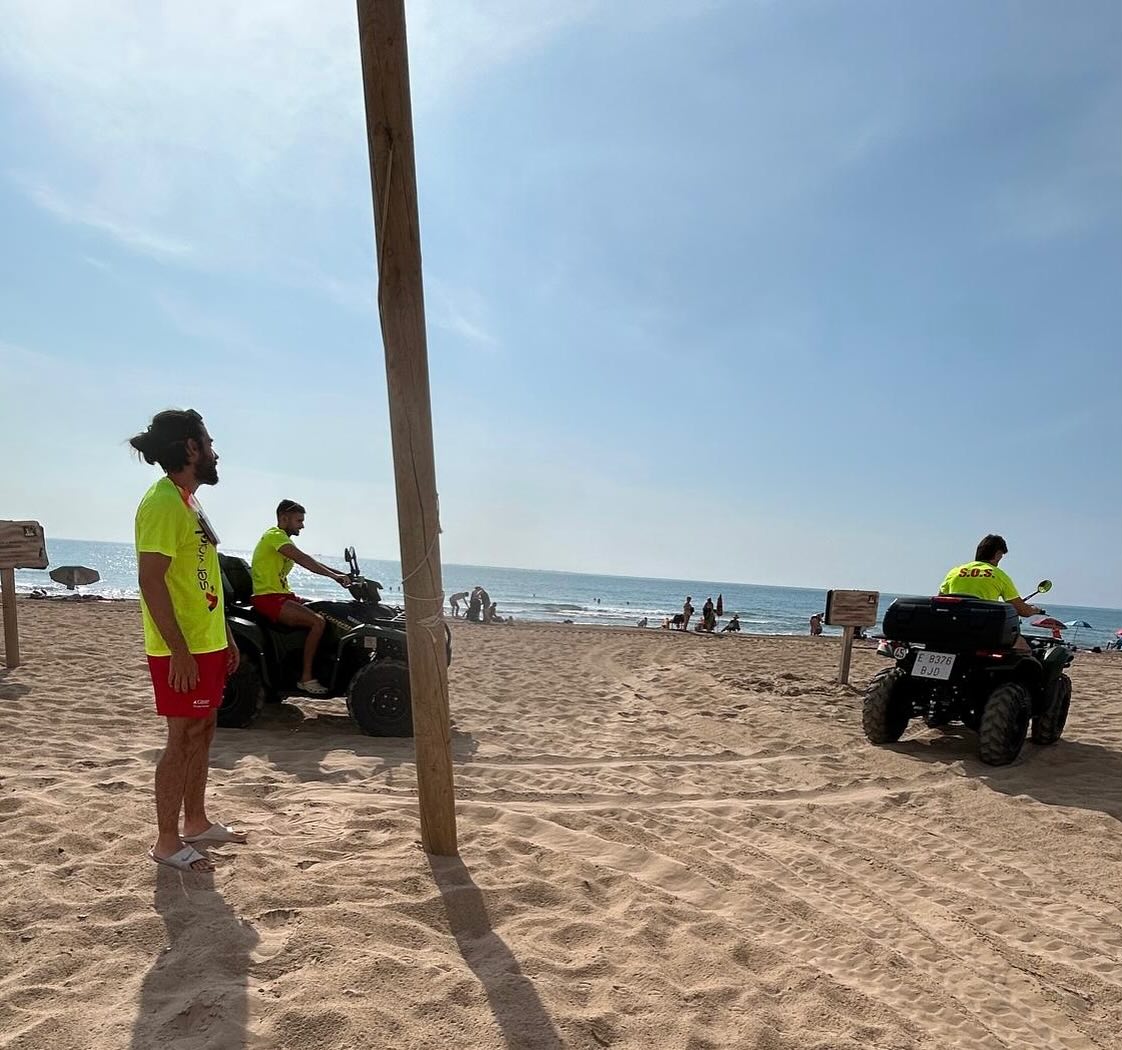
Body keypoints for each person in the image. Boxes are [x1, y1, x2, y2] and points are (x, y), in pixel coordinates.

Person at [130, 409, 246, 873]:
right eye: (209, 443)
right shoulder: (161, 502)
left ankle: (195, 821)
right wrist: (179, 650)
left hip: (207, 641)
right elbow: (150, 580)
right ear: (192, 448)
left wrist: (226, 635)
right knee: (180, 737)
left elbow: (203, 578)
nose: (216, 453)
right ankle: (166, 841)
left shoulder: (188, 501)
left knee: (204, 728)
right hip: (180, 649)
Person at [250, 499, 351, 695]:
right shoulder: (274, 536)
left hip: (283, 595)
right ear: (284, 518)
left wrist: (341, 575)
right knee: (317, 622)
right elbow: (303, 559)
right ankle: (306, 678)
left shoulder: (283, 539)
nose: (302, 526)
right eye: (299, 521)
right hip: (268, 598)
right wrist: (334, 577)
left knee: (324, 608)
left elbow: (307, 558)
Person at [939, 534, 1043, 652]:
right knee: (1025, 649)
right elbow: (1022, 610)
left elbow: (941, 600)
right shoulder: (998, 575)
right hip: (983, 631)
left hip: (953, 629)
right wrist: (1034, 610)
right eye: (1001, 556)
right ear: (997, 554)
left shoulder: (954, 572)